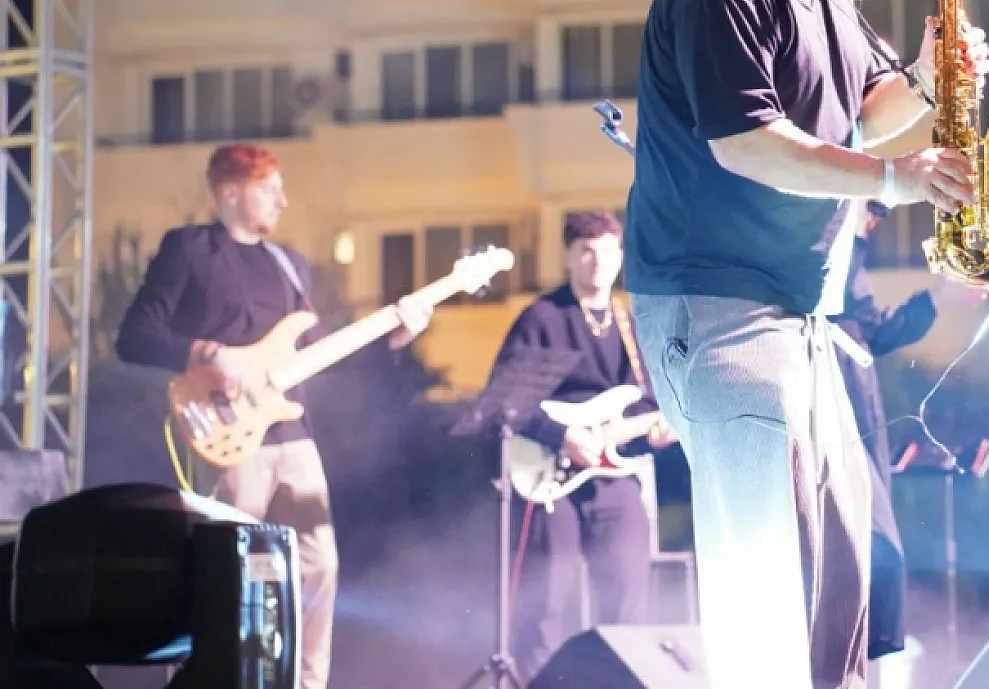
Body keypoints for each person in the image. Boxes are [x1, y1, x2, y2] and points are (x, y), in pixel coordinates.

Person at [624, 0, 989, 689]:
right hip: (717, 312)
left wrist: (933, 83)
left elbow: (865, 114)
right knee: (771, 600)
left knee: (843, 580)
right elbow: (748, 142)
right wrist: (899, 182)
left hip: (798, 315)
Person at [115, 143, 434, 689]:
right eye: (270, 188)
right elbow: (135, 337)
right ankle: (218, 678)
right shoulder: (189, 250)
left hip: (293, 432)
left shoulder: (289, 265)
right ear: (231, 192)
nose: (283, 200)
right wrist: (209, 355)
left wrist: (395, 337)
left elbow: (319, 353)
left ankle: (308, 684)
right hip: (225, 432)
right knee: (230, 571)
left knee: (320, 565)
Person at [487, 210, 679, 680]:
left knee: (629, 593)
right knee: (547, 602)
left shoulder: (628, 322)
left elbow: (647, 401)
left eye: (608, 251)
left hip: (613, 474)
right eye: (586, 251)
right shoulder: (542, 317)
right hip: (549, 475)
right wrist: (563, 436)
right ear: (568, 256)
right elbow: (502, 402)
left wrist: (660, 429)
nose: (597, 262)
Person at [833, 202, 939, 665]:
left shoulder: (849, 253)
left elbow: (869, 328)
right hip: (826, 399)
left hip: (855, 401)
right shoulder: (825, 248)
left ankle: (853, 660)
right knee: (864, 545)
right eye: (871, 209)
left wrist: (937, 300)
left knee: (871, 549)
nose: (874, 222)